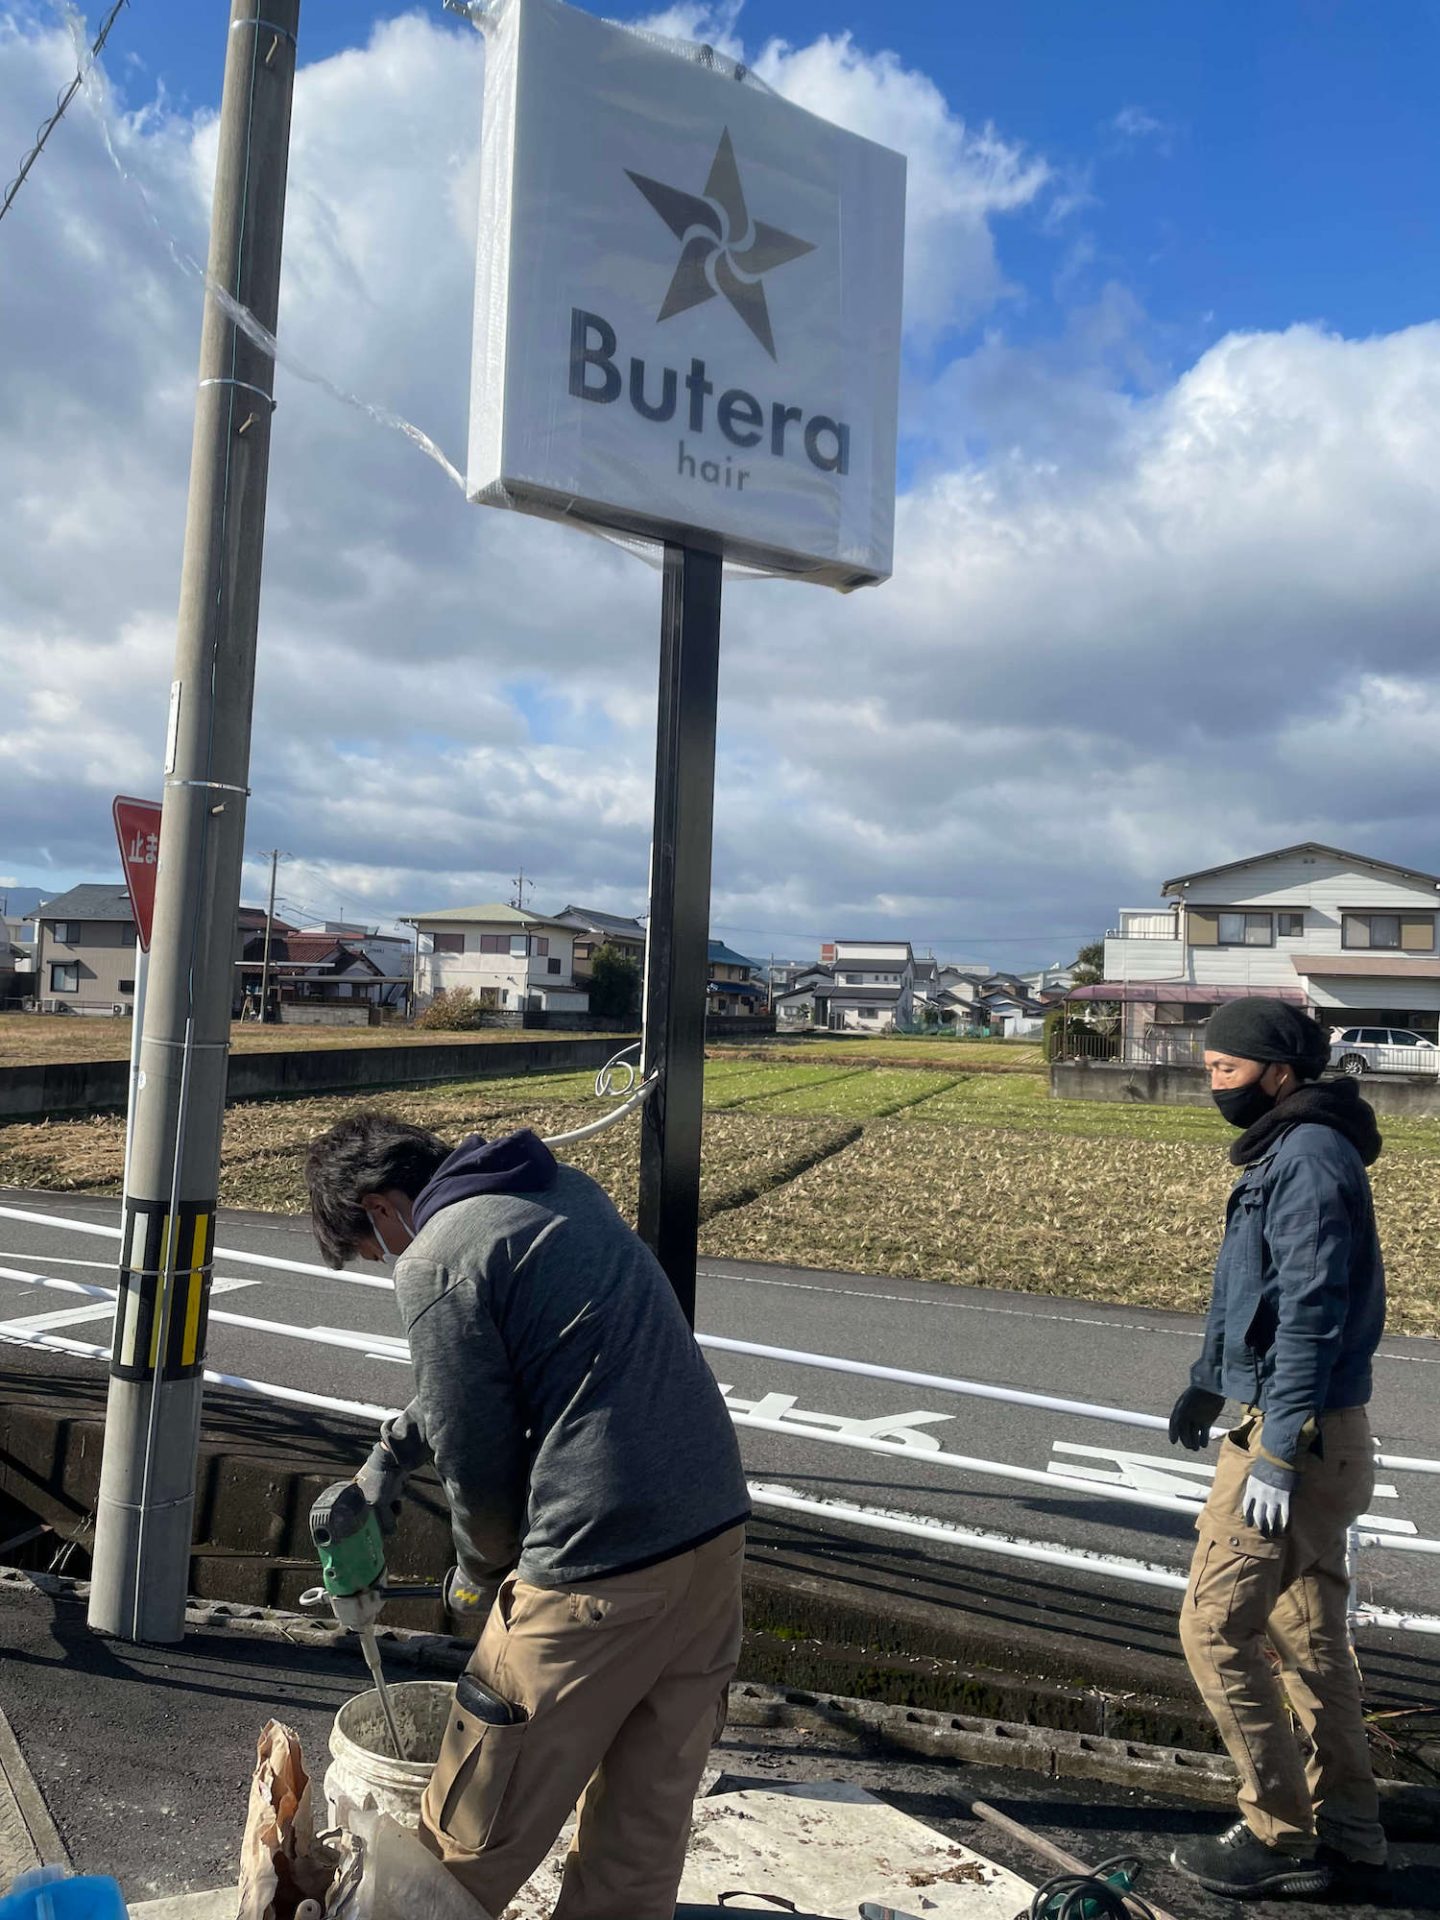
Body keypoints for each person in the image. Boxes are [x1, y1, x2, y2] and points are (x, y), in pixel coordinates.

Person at [305, 1112, 750, 1920]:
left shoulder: (437, 1253)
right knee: (639, 1837)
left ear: (377, 1206)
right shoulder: (557, 1192)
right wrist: (389, 1453)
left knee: (467, 1835)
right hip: (712, 1536)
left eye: (374, 1249)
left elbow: (476, 1455)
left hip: (596, 1560)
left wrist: (478, 1577)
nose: (389, 1262)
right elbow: (502, 1368)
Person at [1166, 999, 1388, 1901]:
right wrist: (1210, 1378)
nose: (1213, 1083)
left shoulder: (1306, 1161)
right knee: (1307, 1636)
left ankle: (1277, 1830)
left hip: (1298, 1435)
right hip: (1303, 1426)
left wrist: (1276, 1452)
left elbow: (1310, 1315)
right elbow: (1255, 1298)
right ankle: (1354, 1830)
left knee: (1214, 1629)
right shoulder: (1292, 1150)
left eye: (1226, 1069)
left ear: (1280, 1073)